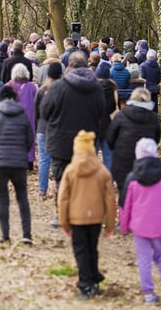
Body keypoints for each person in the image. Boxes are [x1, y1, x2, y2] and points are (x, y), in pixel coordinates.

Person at [41, 51, 105, 228]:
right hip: (86, 141)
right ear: (87, 66)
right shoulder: (96, 88)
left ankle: (63, 215)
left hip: (60, 141)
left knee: (61, 179)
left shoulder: (57, 87)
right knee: (84, 178)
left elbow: (45, 112)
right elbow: (101, 111)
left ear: (68, 66)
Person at [57, 130, 117, 300]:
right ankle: (94, 281)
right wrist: (110, 225)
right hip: (96, 218)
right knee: (92, 249)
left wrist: (64, 223)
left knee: (81, 251)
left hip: (77, 219)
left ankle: (85, 284)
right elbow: (110, 200)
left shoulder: (70, 171)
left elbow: (63, 200)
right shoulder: (103, 171)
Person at [119, 138, 161, 304]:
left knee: (144, 258)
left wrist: (124, 227)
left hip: (140, 226)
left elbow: (125, 206)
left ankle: (148, 293)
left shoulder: (132, 178)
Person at [0, 86, 34, 244]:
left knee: (3, 199)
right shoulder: (22, 114)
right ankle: (26, 234)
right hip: (19, 162)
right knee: (22, 198)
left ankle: (5, 235)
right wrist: (22, 152)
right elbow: (29, 140)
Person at [107, 88, 161, 206]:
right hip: (145, 163)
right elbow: (156, 140)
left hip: (122, 163)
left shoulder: (122, 115)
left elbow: (110, 137)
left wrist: (115, 148)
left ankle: (124, 220)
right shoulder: (153, 118)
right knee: (143, 194)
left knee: (124, 192)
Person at [34, 62, 62, 199]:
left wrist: (37, 126)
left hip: (43, 127)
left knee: (44, 160)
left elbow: (36, 111)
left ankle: (42, 189)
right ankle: (59, 188)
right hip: (58, 128)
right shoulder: (63, 90)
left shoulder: (41, 90)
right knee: (59, 159)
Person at [5, 63, 37, 169]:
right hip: (29, 116)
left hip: (13, 116)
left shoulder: (8, 86)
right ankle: (29, 161)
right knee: (29, 138)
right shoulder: (32, 87)